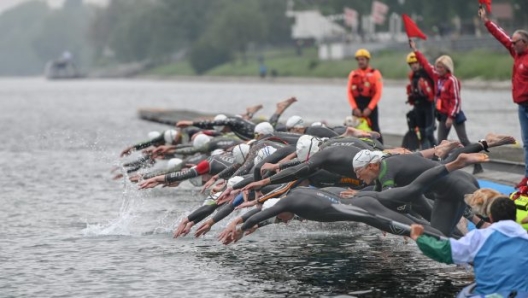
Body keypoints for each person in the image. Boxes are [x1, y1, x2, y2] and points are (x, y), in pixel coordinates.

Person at [409, 197, 528, 297]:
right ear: (514, 215)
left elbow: (445, 252)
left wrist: (419, 238)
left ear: (491, 217)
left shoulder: (479, 237)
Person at [409, 40, 483, 174]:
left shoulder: (452, 80)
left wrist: (451, 117)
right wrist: (415, 50)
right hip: (442, 115)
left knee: (464, 140)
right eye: (437, 67)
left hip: (454, 115)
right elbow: (425, 64)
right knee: (440, 141)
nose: (438, 69)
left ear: (447, 68)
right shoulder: (437, 77)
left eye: (441, 67)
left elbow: (456, 100)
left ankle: (477, 163)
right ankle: (439, 166)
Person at [479, 8, 528, 188]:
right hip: (522, 106)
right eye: (512, 42)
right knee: (527, 143)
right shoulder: (516, 53)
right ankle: (527, 177)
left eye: (516, 42)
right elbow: (502, 36)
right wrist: (487, 21)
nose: (512, 44)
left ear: (525, 42)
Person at [346, 48, 384, 143]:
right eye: (359, 59)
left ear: (367, 60)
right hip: (357, 105)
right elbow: (349, 93)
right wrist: (355, 108)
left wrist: (370, 108)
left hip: (370, 105)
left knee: (375, 128)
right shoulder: (353, 74)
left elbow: (378, 93)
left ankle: (380, 147)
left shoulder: (375, 73)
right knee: (354, 129)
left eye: (362, 59)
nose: (360, 61)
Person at [405, 52, 436, 149]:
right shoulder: (412, 76)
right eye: (411, 64)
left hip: (429, 105)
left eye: (415, 63)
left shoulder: (427, 74)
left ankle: (437, 153)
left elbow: (426, 63)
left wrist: (415, 50)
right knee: (421, 132)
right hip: (418, 106)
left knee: (429, 132)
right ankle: (426, 152)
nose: (414, 65)